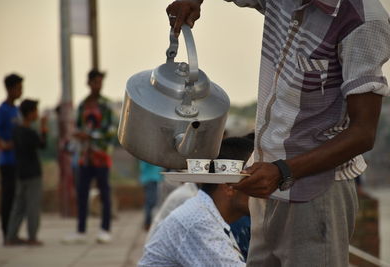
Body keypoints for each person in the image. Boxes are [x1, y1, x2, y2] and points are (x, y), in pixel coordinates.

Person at [166, 1, 390, 266]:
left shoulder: (363, 20)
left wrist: (283, 171)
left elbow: (363, 133)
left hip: (314, 196)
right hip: (267, 190)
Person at [138, 137, 253, 266]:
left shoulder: (207, 214)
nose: (265, 191)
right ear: (229, 186)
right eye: (255, 181)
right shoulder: (199, 221)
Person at [62, 69, 115, 244]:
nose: (98, 85)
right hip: (84, 157)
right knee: (82, 193)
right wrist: (77, 137)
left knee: (104, 193)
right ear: (89, 83)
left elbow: (110, 132)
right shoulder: (83, 105)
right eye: (96, 82)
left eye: (100, 82)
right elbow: (77, 127)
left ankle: (105, 229)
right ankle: (81, 230)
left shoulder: (106, 104)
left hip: (101, 156)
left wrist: (91, 136)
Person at [5, 99, 47, 246]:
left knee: (18, 207)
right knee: (32, 207)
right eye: (35, 111)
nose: (37, 113)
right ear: (29, 114)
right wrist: (43, 128)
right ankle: (32, 237)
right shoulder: (30, 132)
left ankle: (11, 236)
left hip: (21, 173)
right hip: (33, 174)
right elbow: (42, 145)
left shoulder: (16, 130)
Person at [0, 73, 23, 244]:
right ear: (10, 89)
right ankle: (6, 235)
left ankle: (13, 233)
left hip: (17, 161)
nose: (20, 91)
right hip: (7, 161)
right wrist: (1, 143)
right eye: (18, 88)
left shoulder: (16, 110)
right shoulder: (3, 109)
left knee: (17, 199)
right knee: (8, 199)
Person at [139, 161, 164, 231]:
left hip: (150, 180)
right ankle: (148, 223)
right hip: (151, 180)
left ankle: (148, 223)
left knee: (150, 202)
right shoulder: (149, 157)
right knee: (151, 202)